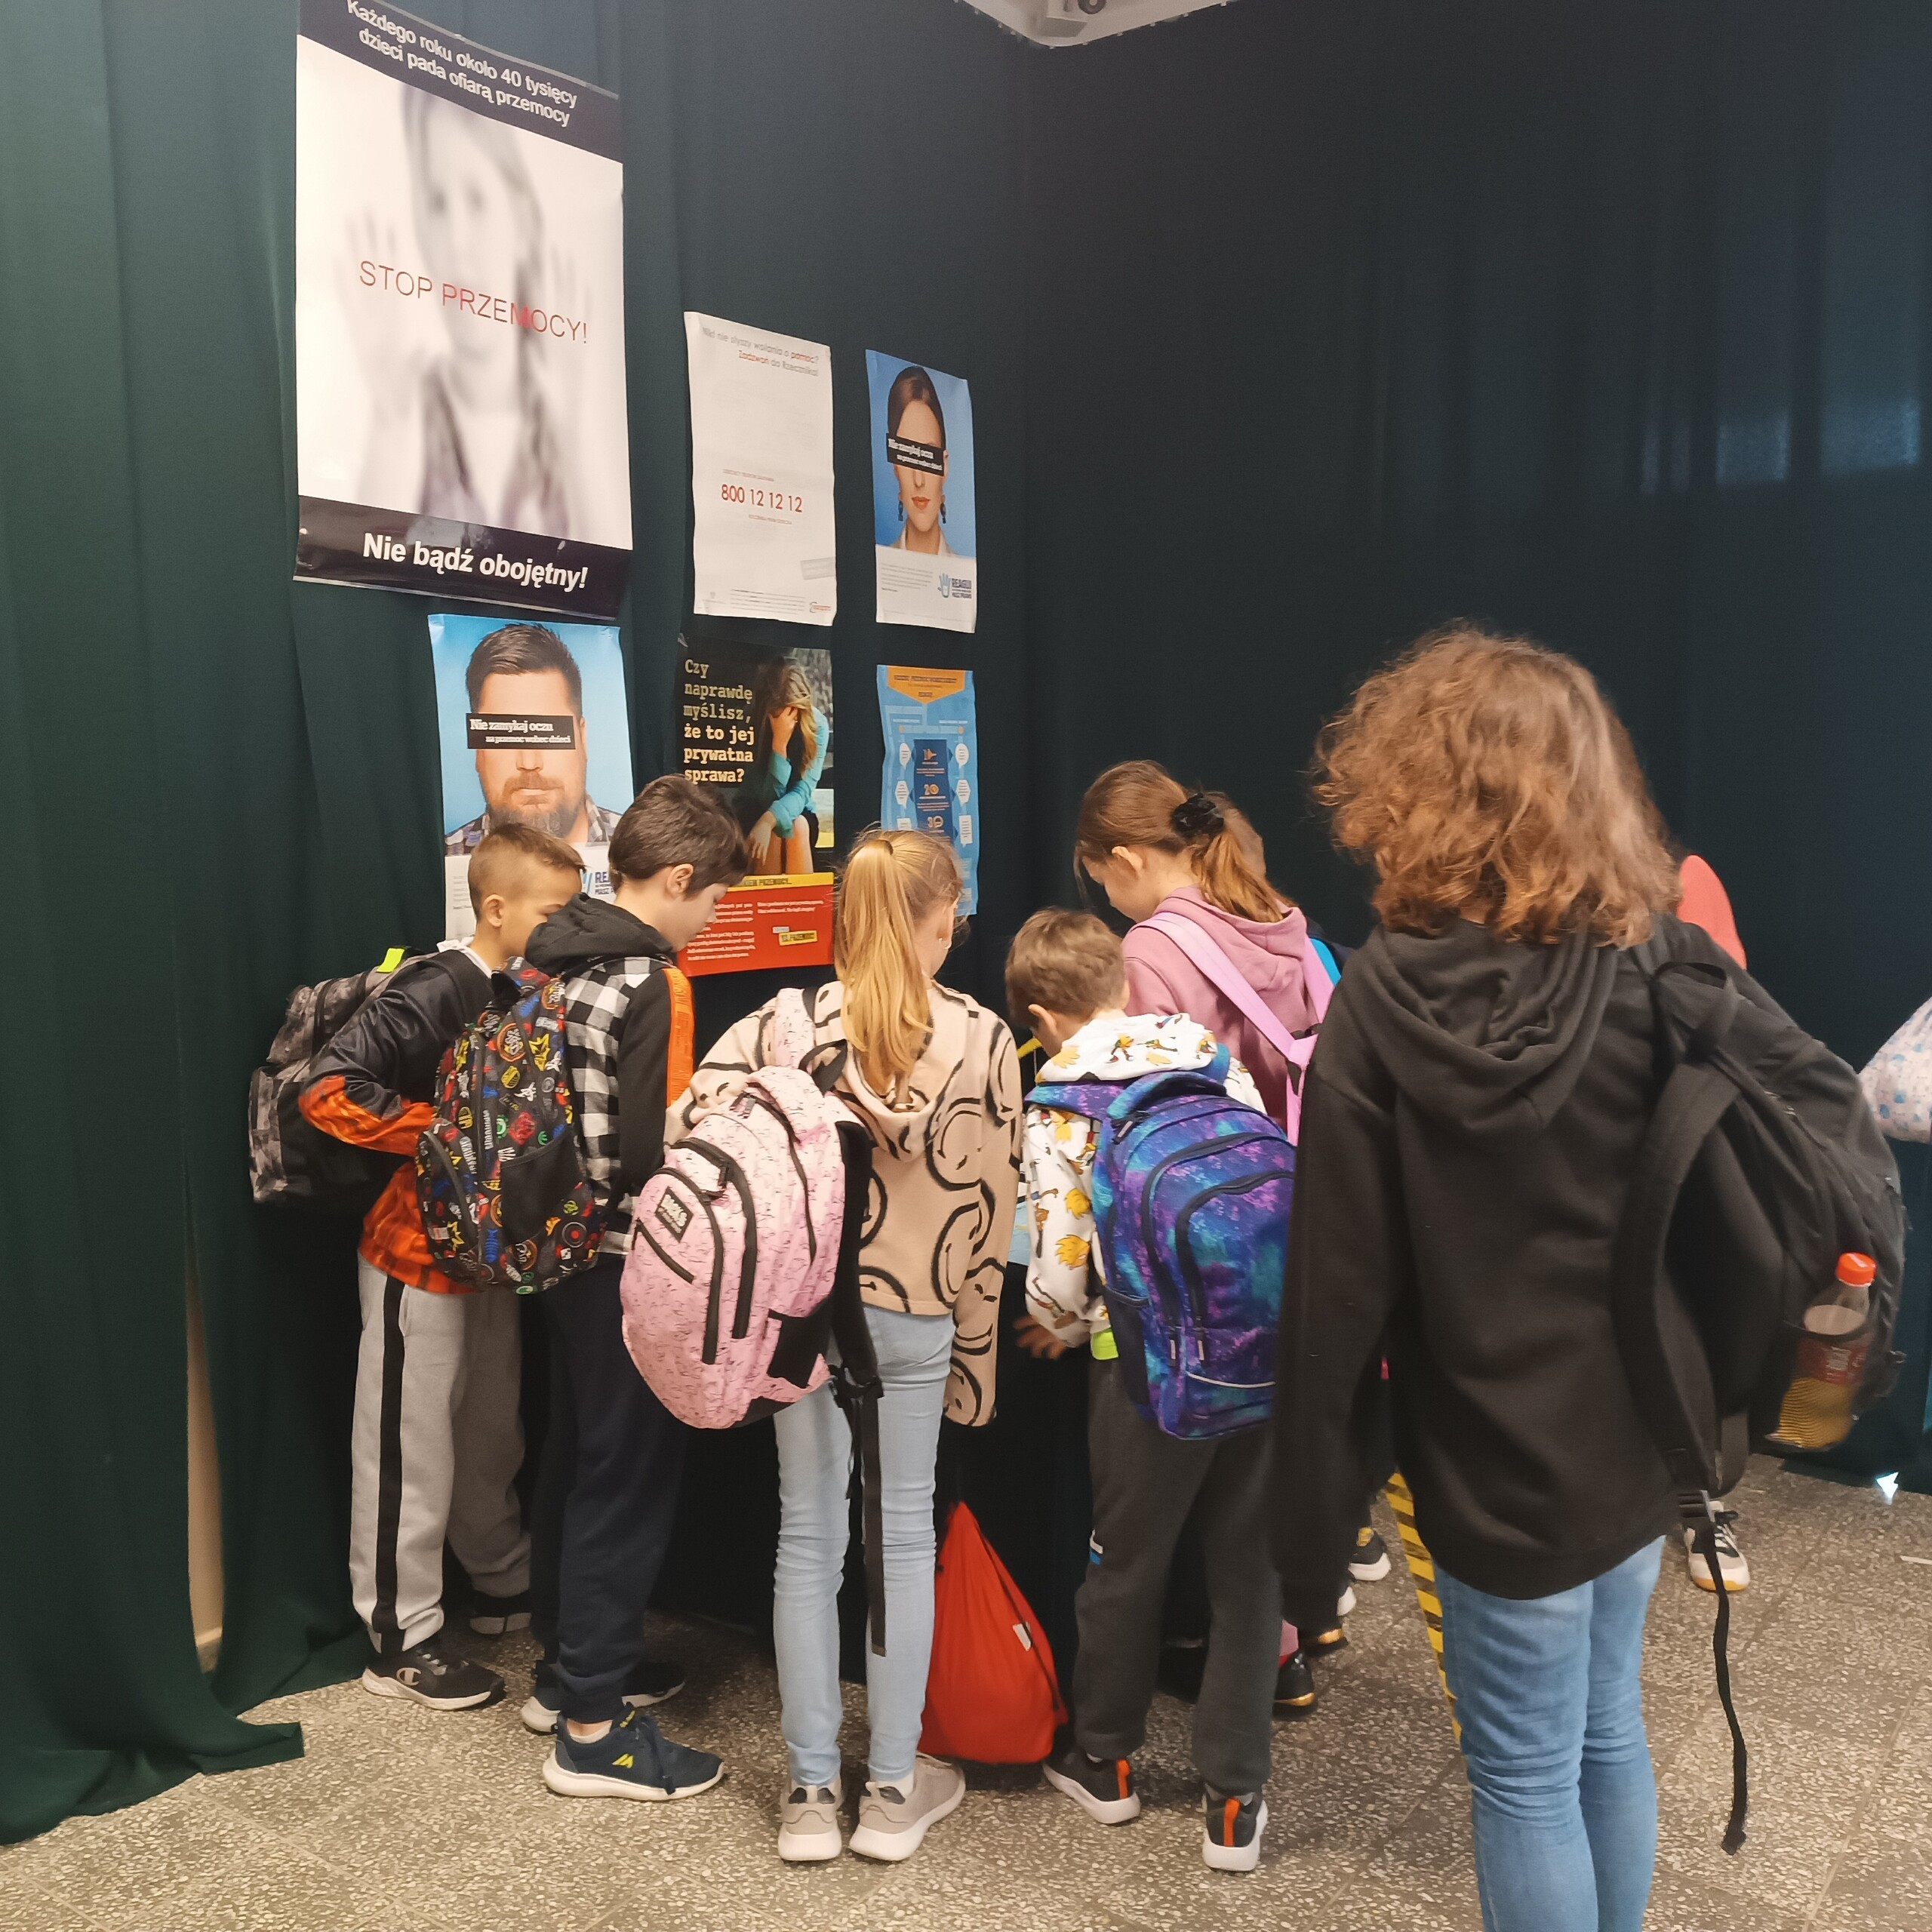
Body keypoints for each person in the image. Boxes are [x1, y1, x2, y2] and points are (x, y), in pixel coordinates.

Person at [1272, 626, 1773, 1932]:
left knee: (1524, 1774)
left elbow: (1335, 1292)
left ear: (1416, 791)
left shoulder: (1385, 1001)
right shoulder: (1660, 969)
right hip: (1642, 1423)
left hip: (1490, 1451)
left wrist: (1307, 1533)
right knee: (1607, 1730)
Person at [672, 828, 1022, 1865]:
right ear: (936, 920)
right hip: (917, 1315)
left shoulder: (781, 1026)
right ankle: (894, 1790)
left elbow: (690, 1133)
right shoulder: (981, 1037)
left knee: (807, 1537)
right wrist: (975, 1367)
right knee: (902, 1539)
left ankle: (810, 1793)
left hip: (802, 1321)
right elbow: (992, 1218)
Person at [1002, 909, 1286, 1871]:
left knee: (1125, 1563)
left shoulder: (1060, 1103)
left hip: (1143, 1367)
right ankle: (1235, 1800)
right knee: (1249, 1572)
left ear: (1043, 1017)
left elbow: (1058, 1275)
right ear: (1120, 985)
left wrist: (1056, 1325)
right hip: (1260, 1350)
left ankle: (1107, 1761)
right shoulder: (1210, 1060)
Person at [299, 824, 584, 1707]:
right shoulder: (433, 986)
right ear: (495, 907)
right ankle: (399, 1635)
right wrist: (453, 1133)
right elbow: (327, 1090)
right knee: (407, 1445)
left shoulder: (525, 987)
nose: (567, 927)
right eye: (554, 911)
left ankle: (499, 1577)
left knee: (491, 1428)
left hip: (489, 1254)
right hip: (414, 1253)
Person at [1075, 762, 1343, 1669]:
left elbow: (1139, 1110)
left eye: (1101, 880)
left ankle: (1241, 1649)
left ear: (1123, 859)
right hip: (1302, 1210)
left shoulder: (1153, 951)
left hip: (1205, 1240)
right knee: (1275, 1442)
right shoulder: (1279, 919)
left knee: (1203, 1441)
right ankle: (1297, 1628)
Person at [519, 777, 746, 1802]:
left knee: (576, 1459)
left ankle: (568, 1666)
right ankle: (594, 1730)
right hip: (623, 1260)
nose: (711, 921)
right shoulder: (653, 980)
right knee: (627, 1480)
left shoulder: (551, 956)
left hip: (553, 1253)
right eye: (715, 901)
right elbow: (649, 1154)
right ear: (682, 877)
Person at [347, 91, 580, 537]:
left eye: (477, 200)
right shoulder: (402, 407)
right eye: (437, 203)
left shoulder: (564, 418)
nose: (455, 242)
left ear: (522, 225)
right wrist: (390, 423)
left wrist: (576, 436)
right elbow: (362, 558)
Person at [1672, 852, 1752, 1593]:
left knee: (1697, 1322)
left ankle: (1703, 1504)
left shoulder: (1683, 877)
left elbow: (1726, 1003)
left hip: (1684, 1143)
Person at [444, 623, 621, 856]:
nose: (529, 763)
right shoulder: (444, 857)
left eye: (549, 733)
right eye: (505, 734)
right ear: (479, 751)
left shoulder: (639, 849)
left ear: (583, 738)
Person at [734, 656, 829, 876]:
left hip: (798, 811)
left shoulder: (818, 726)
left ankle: (802, 899)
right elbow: (767, 798)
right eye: (777, 714)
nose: (787, 720)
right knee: (776, 833)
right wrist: (779, 745)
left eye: (793, 713)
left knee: (798, 826)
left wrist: (769, 820)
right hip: (754, 807)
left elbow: (803, 791)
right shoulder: (751, 722)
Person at [884, 366, 958, 558]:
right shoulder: (876, 563)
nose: (919, 480)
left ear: (944, 467)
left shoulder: (967, 570)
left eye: (927, 458)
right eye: (908, 457)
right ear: (896, 468)